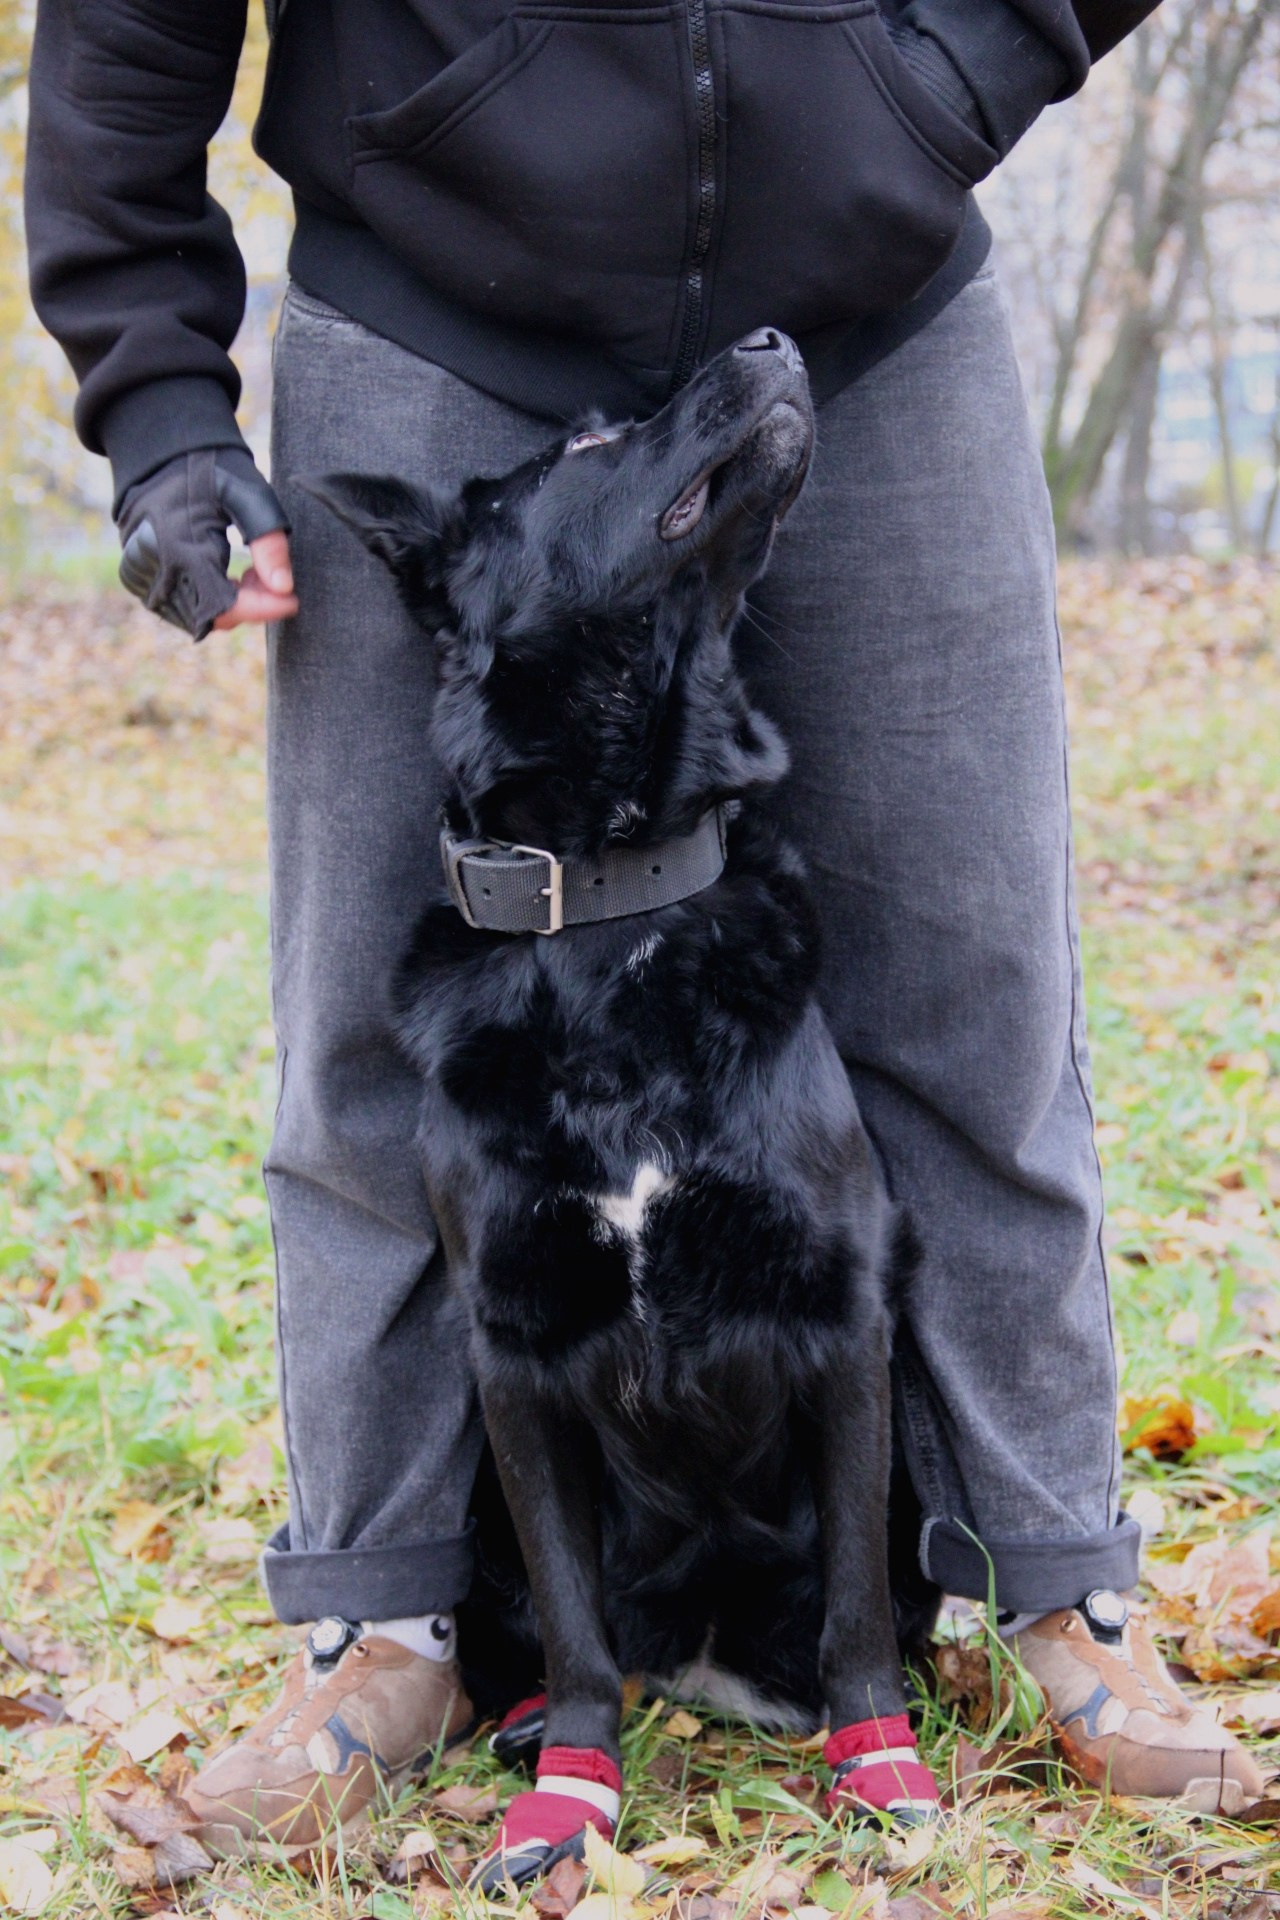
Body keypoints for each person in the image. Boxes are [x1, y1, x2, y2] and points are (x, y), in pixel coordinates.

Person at [25, 0, 1263, 1860]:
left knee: (976, 980)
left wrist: (930, 79)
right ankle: (391, 1623)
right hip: (434, 297)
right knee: (376, 1027)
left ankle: (1050, 1587)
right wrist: (156, 396)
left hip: (878, 297)